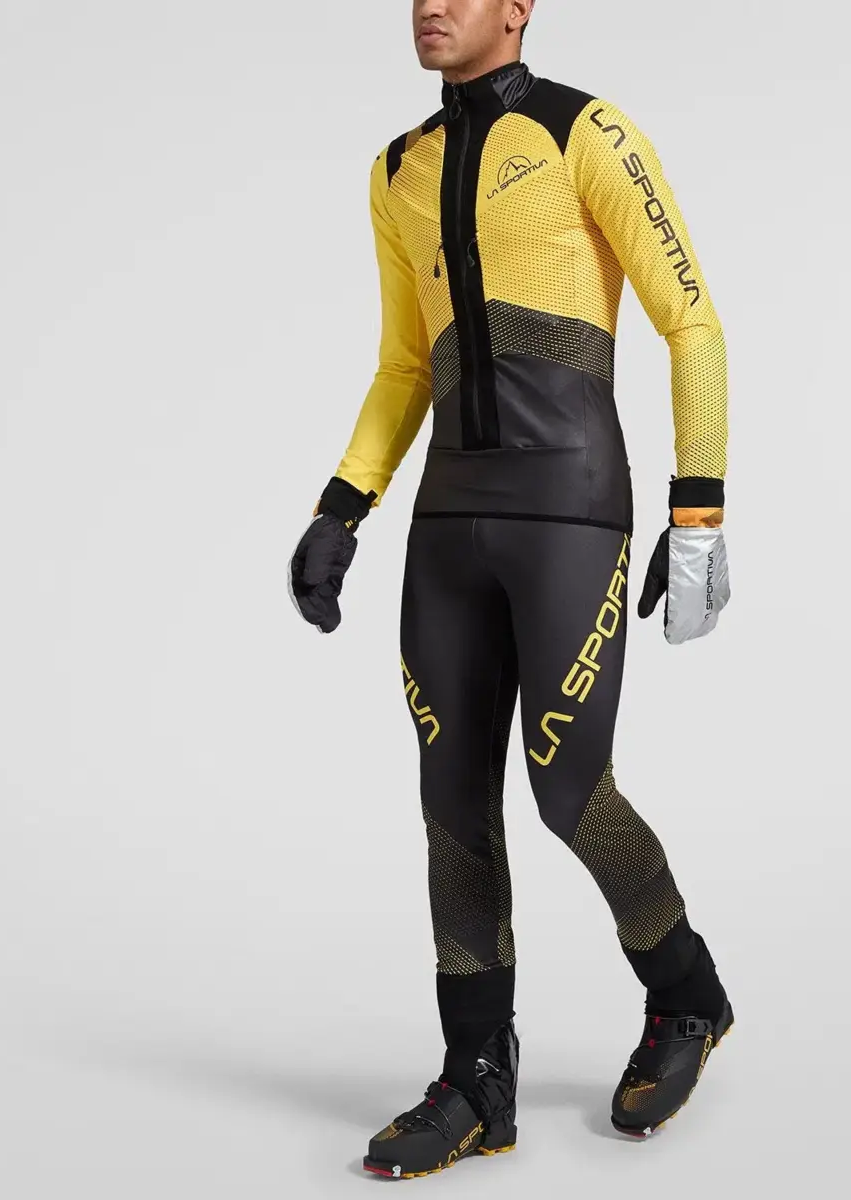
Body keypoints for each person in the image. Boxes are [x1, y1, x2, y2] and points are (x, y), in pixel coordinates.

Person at [288, 0, 734, 1179]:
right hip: (449, 517)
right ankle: (478, 1077)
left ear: (518, 7)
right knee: (451, 796)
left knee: (567, 787)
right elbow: (404, 362)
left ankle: (686, 993)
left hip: (568, 507)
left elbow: (691, 323)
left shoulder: (588, 131)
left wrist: (698, 513)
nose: (431, 6)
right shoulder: (397, 168)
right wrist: (342, 505)